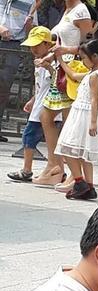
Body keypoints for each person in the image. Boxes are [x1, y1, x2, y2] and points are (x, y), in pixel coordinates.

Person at [35, 0, 93, 187]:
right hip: (61, 67)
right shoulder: (67, 10)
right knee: (47, 116)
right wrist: (51, 56)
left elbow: (90, 45)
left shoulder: (81, 11)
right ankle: (55, 165)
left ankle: (74, 174)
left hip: (72, 69)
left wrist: (64, 51)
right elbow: (63, 41)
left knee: (70, 122)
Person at [53, 39, 98, 200]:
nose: (82, 61)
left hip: (84, 114)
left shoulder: (94, 76)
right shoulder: (96, 73)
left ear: (95, 56)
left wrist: (92, 122)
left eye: (84, 58)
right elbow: (74, 75)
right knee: (84, 153)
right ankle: (89, 186)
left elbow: (94, 99)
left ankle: (79, 181)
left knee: (68, 148)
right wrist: (61, 60)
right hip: (84, 113)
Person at [6, 27, 60, 182]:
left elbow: (56, 82)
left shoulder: (52, 62)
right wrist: (32, 100)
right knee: (37, 139)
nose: (33, 49)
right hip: (40, 108)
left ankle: (28, 170)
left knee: (30, 137)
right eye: (32, 46)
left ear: (47, 44)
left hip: (48, 108)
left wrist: (47, 66)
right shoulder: (38, 63)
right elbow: (41, 86)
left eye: (37, 45)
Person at [0, 0, 37, 143]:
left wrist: (29, 27)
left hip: (13, 46)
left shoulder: (30, 2)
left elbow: (32, 31)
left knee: (3, 87)